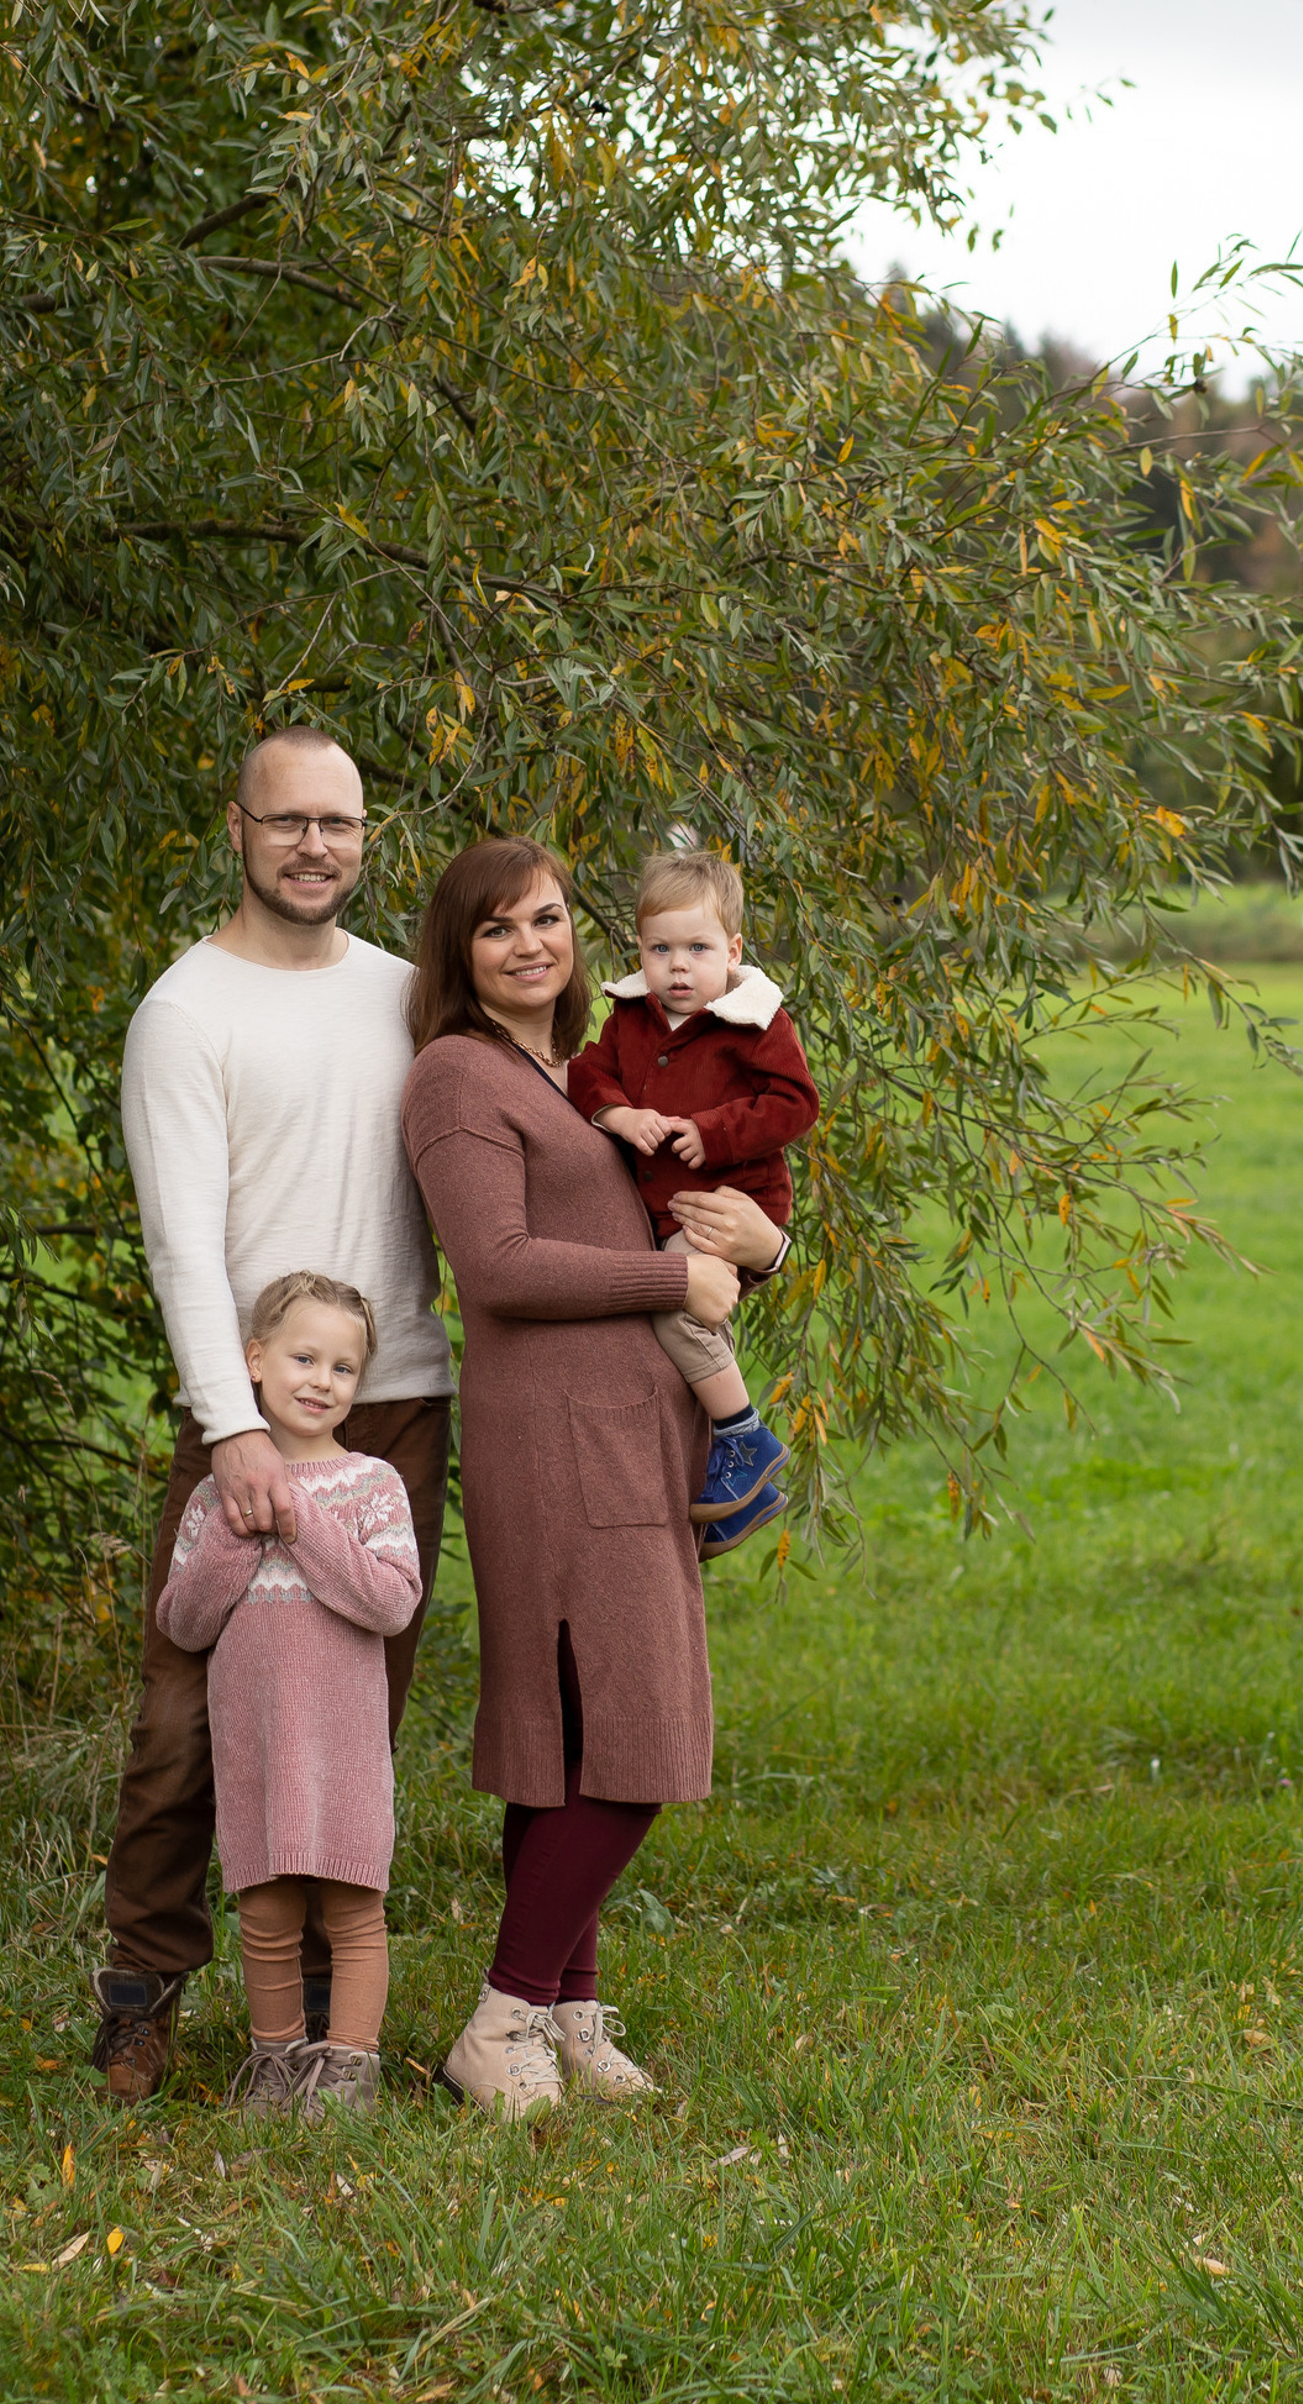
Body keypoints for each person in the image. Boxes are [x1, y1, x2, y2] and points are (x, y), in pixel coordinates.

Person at [398, 836, 786, 2118]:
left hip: (625, 1429)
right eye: (499, 927)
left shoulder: (579, 1072)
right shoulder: (460, 1076)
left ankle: (566, 2014)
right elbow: (498, 1265)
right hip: (555, 1443)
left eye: (550, 919)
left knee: (571, 1741)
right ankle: (502, 2013)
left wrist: (755, 1244)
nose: (531, 945)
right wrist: (671, 1279)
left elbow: (688, 1202)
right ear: (459, 952)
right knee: (636, 1727)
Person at [94, 729, 454, 2106]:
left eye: (342, 823)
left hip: (400, 1399)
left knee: (355, 1710)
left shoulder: (408, 998)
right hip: (246, 1415)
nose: (317, 845)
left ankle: (313, 2022)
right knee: (190, 1718)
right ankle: (142, 1984)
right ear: (236, 829)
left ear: (369, 839)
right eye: (290, 820)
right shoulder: (188, 1014)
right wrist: (231, 1425)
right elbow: (183, 1245)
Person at [155, 1272, 423, 2119]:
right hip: (257, 1742)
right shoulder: (215, 1495)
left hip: (343, 1744)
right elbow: (185, 1622)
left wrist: (302, 1522)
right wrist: (244, 1529)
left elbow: (390, 1600)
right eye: (304, 1358)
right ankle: (275, 2062)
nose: (321, 1380)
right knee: (265, 1914)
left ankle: (350, 2066)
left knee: (351, 1909)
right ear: (255, 1362)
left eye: (343, 1368)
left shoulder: (373, 1484)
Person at [568, 847, 818, 1554]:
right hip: (668, 1210)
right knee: (690, 1321)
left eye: (698, 948)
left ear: (732, 950)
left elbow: (796, 1104)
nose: (679, 967)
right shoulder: (632, 1020)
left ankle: (743, 1434)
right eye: (661, 949)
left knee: (673, 1304)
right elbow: (587, 1074)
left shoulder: (754, 1021)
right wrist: (617, 1114)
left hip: (727, 1200)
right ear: (640, 950)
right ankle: (746, 1496)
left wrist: (713, 1134)